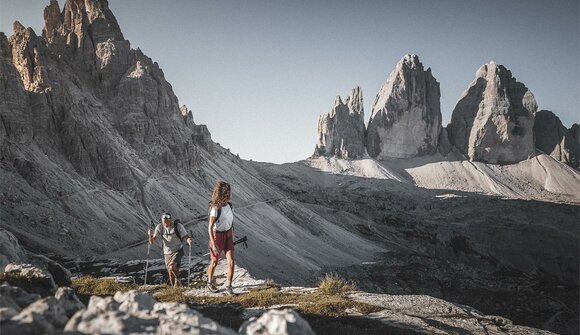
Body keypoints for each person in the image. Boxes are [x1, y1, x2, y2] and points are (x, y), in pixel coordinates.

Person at [206, 181, 235, 295]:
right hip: (217, 235)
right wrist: (213, 244)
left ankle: (228, 286)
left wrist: (231, 236)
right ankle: (209, 283)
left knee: (231, 262)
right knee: (214, 262)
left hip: (228, 235)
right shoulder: (215, 208)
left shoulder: (230, 206)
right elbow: (209, 227)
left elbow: (230, 222)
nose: (228, 194)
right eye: (226, 192)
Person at [149, 212, 192, 287]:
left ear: (170, 220)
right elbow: (152, 242)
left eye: (167, 221)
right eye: (164, 221)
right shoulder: (160, 227)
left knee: (172, 267)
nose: (166, 223)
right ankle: (175, 288)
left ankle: (178, 279)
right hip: (167, 252)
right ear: (162, 221)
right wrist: (150, 235)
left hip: (178, 250)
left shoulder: (178, 226)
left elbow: (185, 236)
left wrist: (188, 240)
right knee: (170, 272)